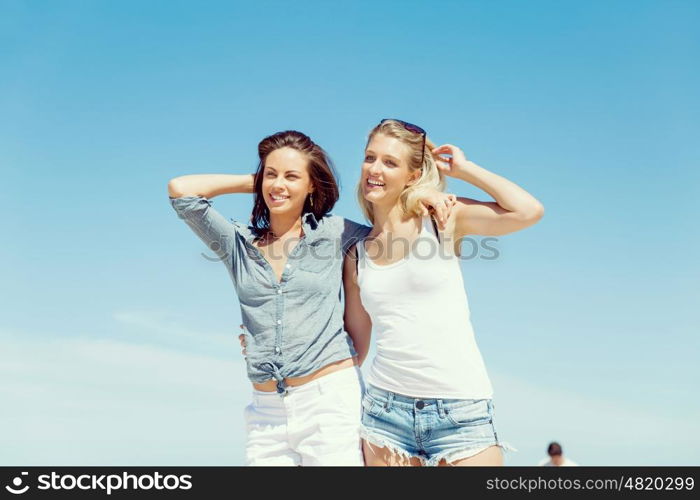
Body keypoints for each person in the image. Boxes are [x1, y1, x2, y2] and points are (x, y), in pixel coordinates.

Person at [169, 130, 452, 466]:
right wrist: (260, 181)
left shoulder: (337, 234)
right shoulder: (238, 245)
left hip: (328, 401)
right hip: (266, 411)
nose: (279, 185)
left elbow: (394, 229)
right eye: (271, 174)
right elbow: (181, 191)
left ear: (312, 185)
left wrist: (422, 197)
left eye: (292, 176)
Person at [343, 118, 544, 466]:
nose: (374, 169)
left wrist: (465, 170)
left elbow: (528, 212)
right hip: (384, 413)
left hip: (460, 411)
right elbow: (355, 346)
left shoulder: (441, 219)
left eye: (390, 162)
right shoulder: (356, 253)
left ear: (412, 174)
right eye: (370, 157)